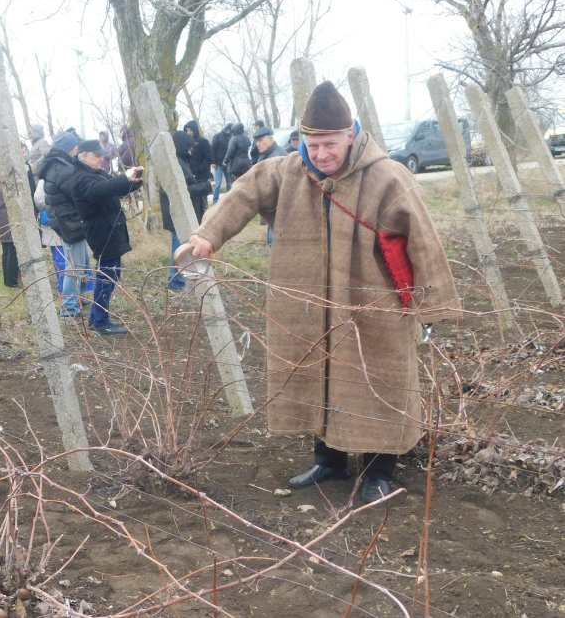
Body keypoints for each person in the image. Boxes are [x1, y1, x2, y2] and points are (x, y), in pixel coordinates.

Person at [187, 80, 459, 504]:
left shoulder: (388, 176)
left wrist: (431, 303)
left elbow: (421, 237)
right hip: (306, 295)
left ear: (351, 135)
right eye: (313, 146)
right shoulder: (286, 172)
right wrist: (208, 236)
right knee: (317, 372)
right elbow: (243, 193)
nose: (321, 155)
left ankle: (377, 471)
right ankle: (328, 461)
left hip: (373, 301)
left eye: (330, 144)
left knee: (376, 379)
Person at [68, 139, 143, 335]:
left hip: (111, 229)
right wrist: (123, 179)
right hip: (101, 232)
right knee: (107, 276)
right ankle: (100, 322)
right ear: (83, 155)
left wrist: (133, 183)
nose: (101, 159)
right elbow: (99, 191)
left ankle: (96, 318)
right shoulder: (80, 178)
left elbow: (112, 188)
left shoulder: (94, 173)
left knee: (111, 274)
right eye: (97, 155)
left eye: (101, 155)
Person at [42, 130, 92, 317]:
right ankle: (69, 306)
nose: (77, 151)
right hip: (69, 220)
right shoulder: (62, 167)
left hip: (67, 218)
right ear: (69, 149)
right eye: (75, 148)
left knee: (80, 262)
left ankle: (74, 300)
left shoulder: (58, 164)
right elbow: (77, 192)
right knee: (75, 265)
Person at [161, 130, 210, 290]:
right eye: (189, 146)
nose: (192, 149)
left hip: (179, 213)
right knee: (179, 249)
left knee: (180, 247)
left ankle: (178, 280)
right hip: (176, 215)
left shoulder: (181, 161)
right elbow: (183, 191)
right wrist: (206, 187)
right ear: (182, 146)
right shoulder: (176, 164)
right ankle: (175, 281)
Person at [183, 120, 214, 201]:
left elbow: (209, 157)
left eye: (190, 130)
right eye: (187, 131)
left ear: (195, 129)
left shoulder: (203, 141)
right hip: (192, 175)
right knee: (196, 198)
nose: (188, 132)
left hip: (202, 174)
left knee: (203, 197)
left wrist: (201, 169)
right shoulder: (187, 143)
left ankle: (205, 212)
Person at [210, 123, 231, 203]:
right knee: (218, 182)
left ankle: (230, 197)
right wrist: (213, 161)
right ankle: (215, 200)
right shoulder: (217, 136)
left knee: (229, 181)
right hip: (218, 163)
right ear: (227, 129)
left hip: (227, 163)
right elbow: (212, 149)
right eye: (230, 131)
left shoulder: (231, 137)